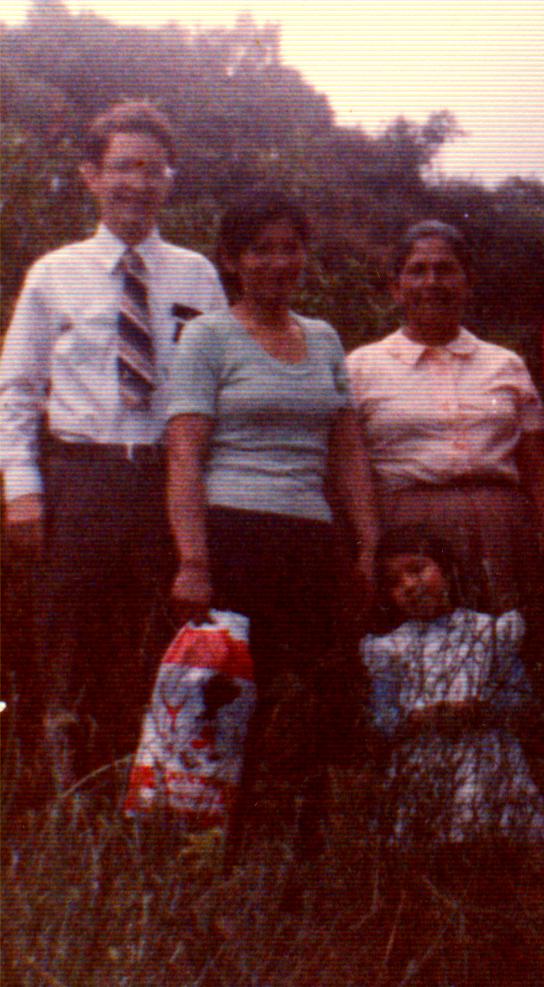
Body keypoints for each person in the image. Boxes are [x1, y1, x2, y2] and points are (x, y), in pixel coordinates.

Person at [0, 101, 227, 786]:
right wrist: (22, 491)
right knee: (68, 645)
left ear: (170, 180)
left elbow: (220, 386)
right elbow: (16, 390)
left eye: (153, 170)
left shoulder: (197, 276)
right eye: (123, 167)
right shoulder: (55, 273)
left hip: (167, 483)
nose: (138, 183)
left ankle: (156, 802)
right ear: (91, 176)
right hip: (79, 479)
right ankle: (69, 801)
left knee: (159, 644)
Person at [166, 191, 378, 852]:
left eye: (291, 248)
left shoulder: (325, 338)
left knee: (313, 694)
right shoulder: (207, 336)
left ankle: (299, 847)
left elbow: (346, 448)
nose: (278, 262)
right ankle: (209, 849)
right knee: (225, 698)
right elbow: (185, 453)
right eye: (261, 250)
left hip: (310, 540)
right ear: (232, 260)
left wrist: (367, 542)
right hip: (234, 538)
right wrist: (193, 560)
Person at [346, 220, 544, 614]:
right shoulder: (360, 367)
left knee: (505, 636)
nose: (432, 282)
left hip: (503, 530)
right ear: (395, 287)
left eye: (445, 269)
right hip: (406, 535)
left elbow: (537, 468)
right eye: (417, 271)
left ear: (467, 282)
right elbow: (350, 468)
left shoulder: (506, 364)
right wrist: (367, 545)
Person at [362, 525, 544, 849]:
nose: (408, 586)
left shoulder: (488, 631)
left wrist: (481, 710)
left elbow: (520, 697)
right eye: (394, 583)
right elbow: (382, 717)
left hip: (485, 754)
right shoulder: (389, 648)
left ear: (447, 570)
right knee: (433, 848)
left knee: (492, 844)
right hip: (424, 758)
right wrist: (415, 719)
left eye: (417, 570)